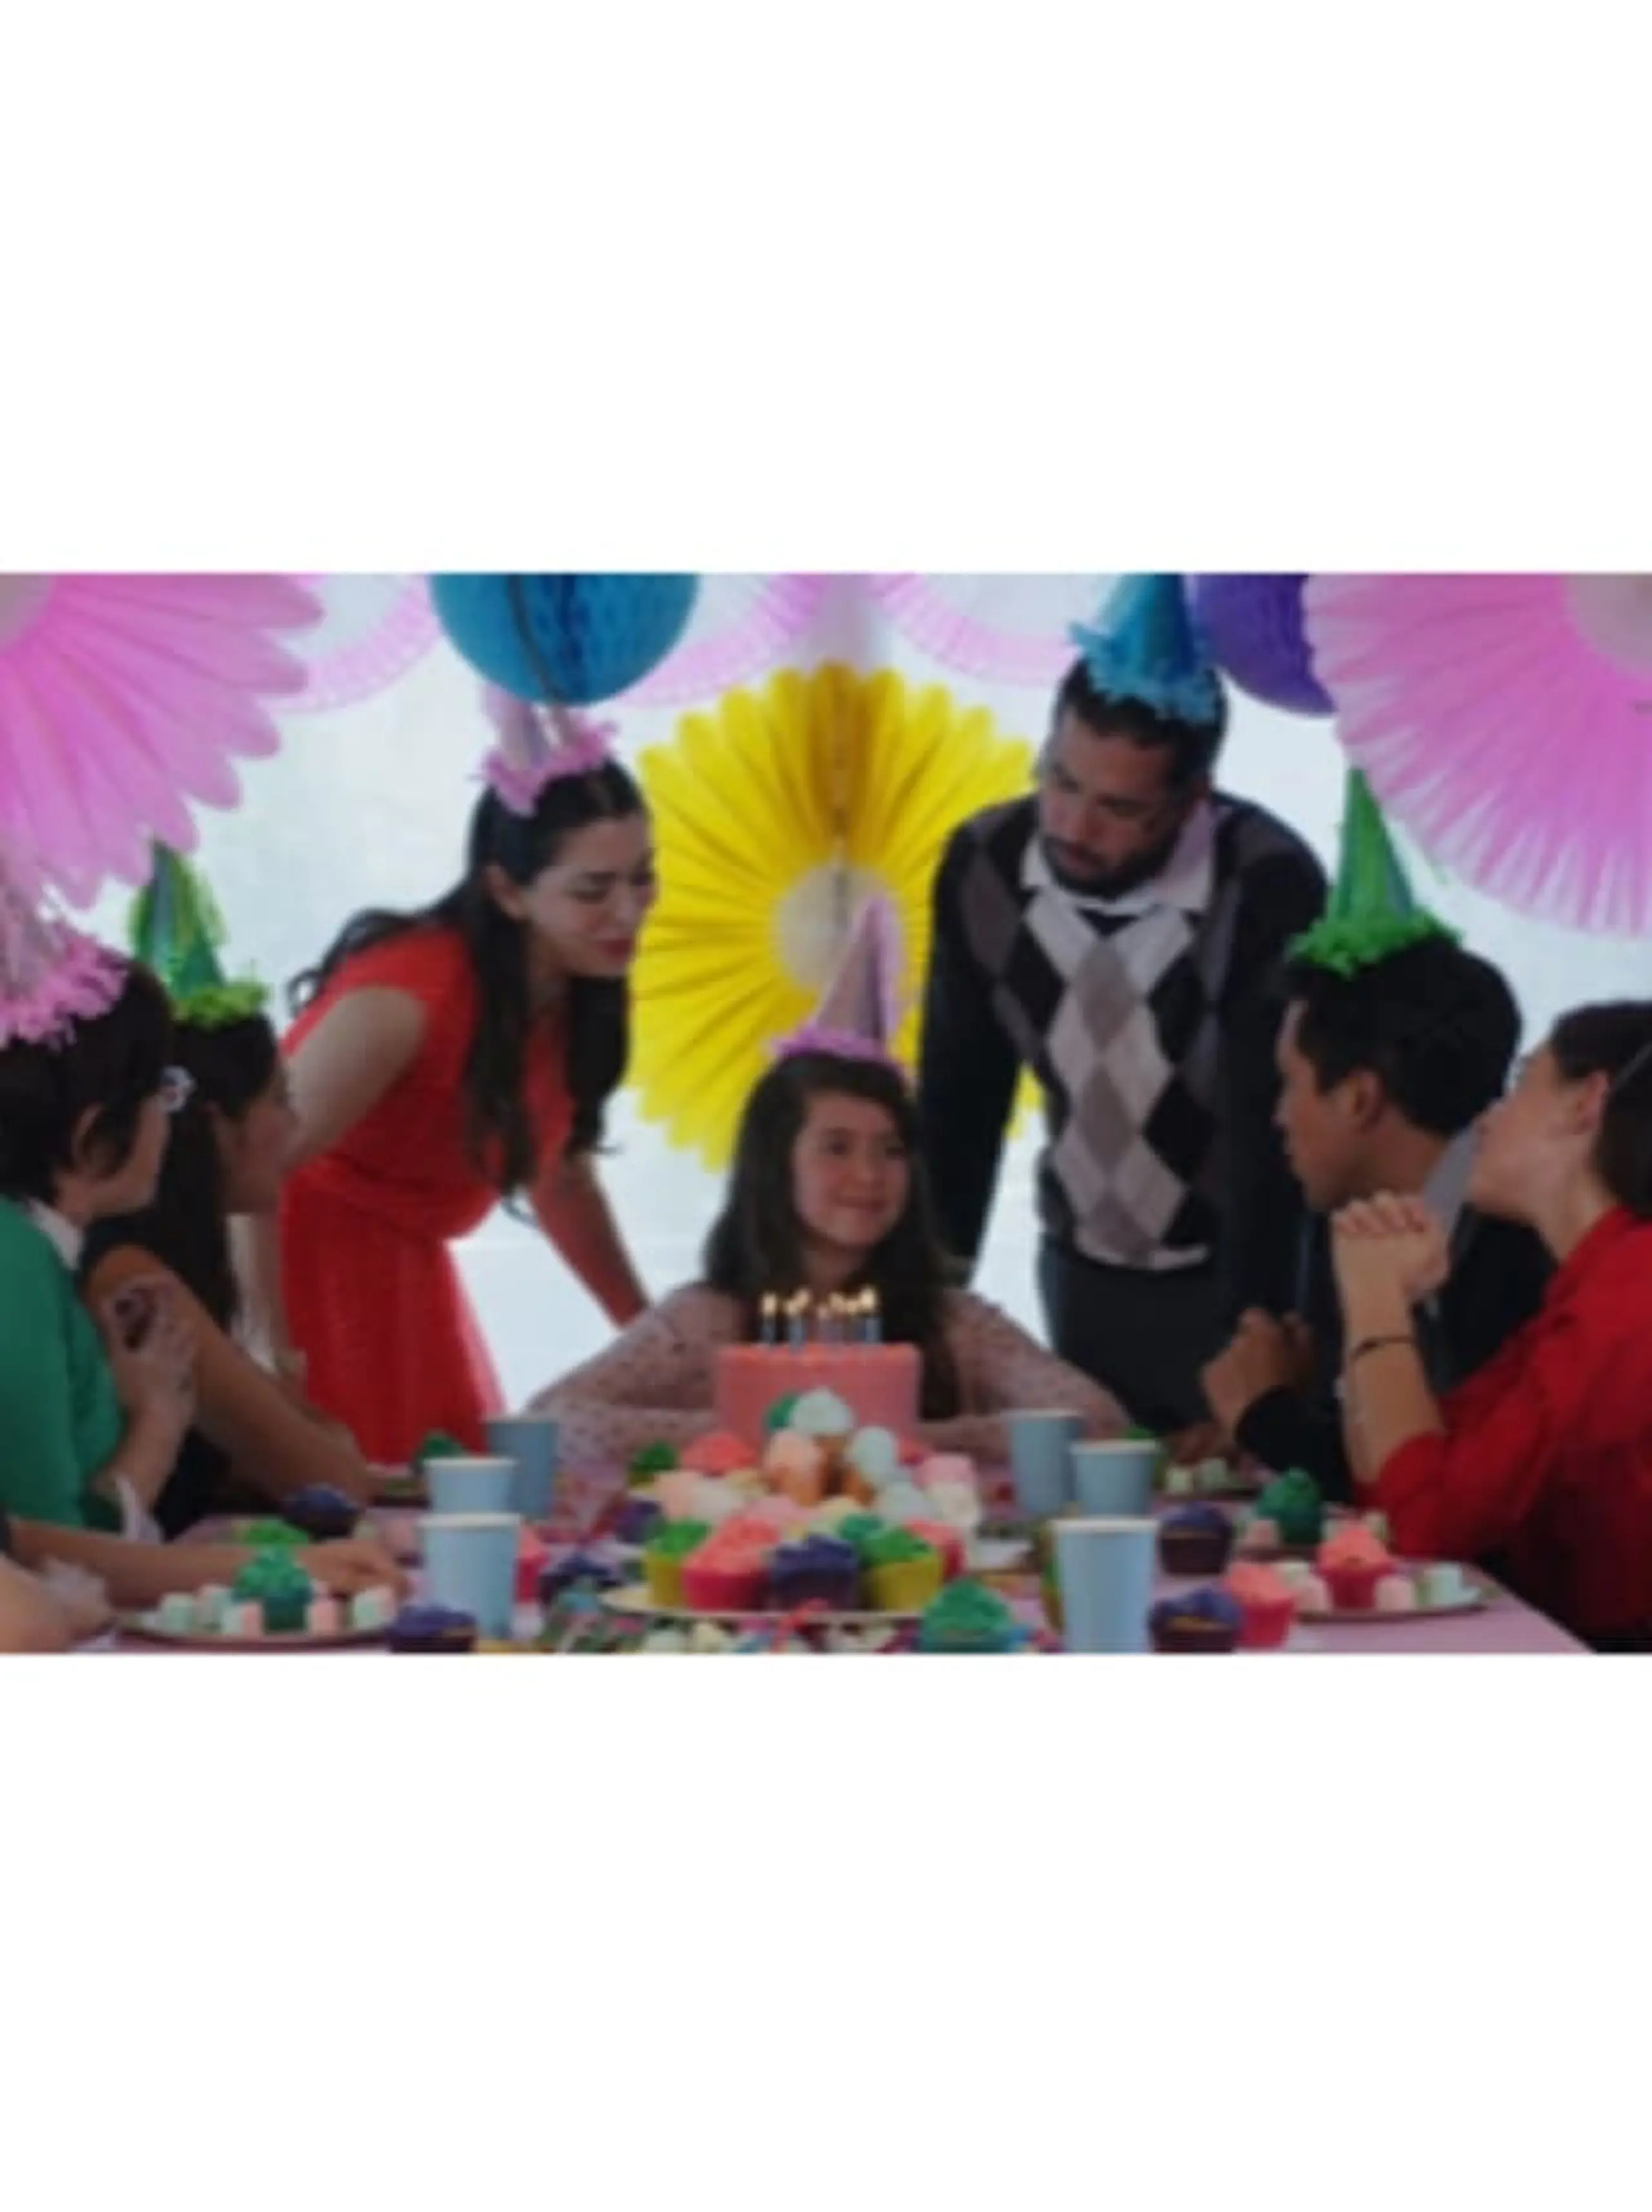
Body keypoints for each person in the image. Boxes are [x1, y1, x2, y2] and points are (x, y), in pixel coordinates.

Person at [916, 574, 1327, 1434]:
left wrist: (1257, 1352)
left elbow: (1271, 1140)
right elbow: (959, 1106)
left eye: (1119, 807)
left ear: (1192, 799)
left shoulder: (1265, 882)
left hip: (1230, 1276)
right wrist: (927, 1316)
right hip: (1082, 1269)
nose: (1072, 825)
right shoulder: (985, 864)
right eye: (1060, 781)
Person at [532, 904, 1122, 1464]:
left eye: (891, 1150)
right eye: (836, 1148)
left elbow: (1096, 1419)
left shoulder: (952, 1321)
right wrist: (755, 1432)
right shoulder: (704, 1321)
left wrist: (902, 1438)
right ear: (775, 1163)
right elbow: (553, 1419)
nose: (869, 1175)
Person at [271, 689, 656, 1462]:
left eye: (642, 878)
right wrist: (266, 1345)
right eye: (593, 889)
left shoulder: (578, 986)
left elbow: (560, 1174)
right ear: (507, 890)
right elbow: (249, 1168)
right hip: (300, 1270)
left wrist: (648, 1341)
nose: (628, 912)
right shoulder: (405, 996)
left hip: (408, 1282)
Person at [0, 872, 403, 1612]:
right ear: (94, 1134)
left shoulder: (39, 1256)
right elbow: (43, 1558)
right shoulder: (16, 1263)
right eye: (163, 1094)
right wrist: (265, 1566)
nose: (171, 1121)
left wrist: (155, 1410)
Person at [1199, 777, 1551, 1496]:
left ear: (1359, 1097)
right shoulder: (1371, 1224)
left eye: (1290, 1084)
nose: (1277, 1117)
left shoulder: (1513, 1249)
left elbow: (1441, 1495)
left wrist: (1265, 1417)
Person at [1333, 1000, 1652, 1651]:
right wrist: (1374, 1299)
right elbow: (1398, 1483)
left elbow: (1425, 1526)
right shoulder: (1593, 1284)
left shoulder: (1631, 1297)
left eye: (1519, 1082)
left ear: (1584, 1102)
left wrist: (1375, 1302)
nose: (1486, 1119)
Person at [83, 849, 378, 1536]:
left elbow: (316, 1443)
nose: (296, 1126)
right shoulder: (132, 1277)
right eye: (280, 1100)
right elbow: (335, 1480)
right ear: (214, 1125)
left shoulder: (168, 1262)